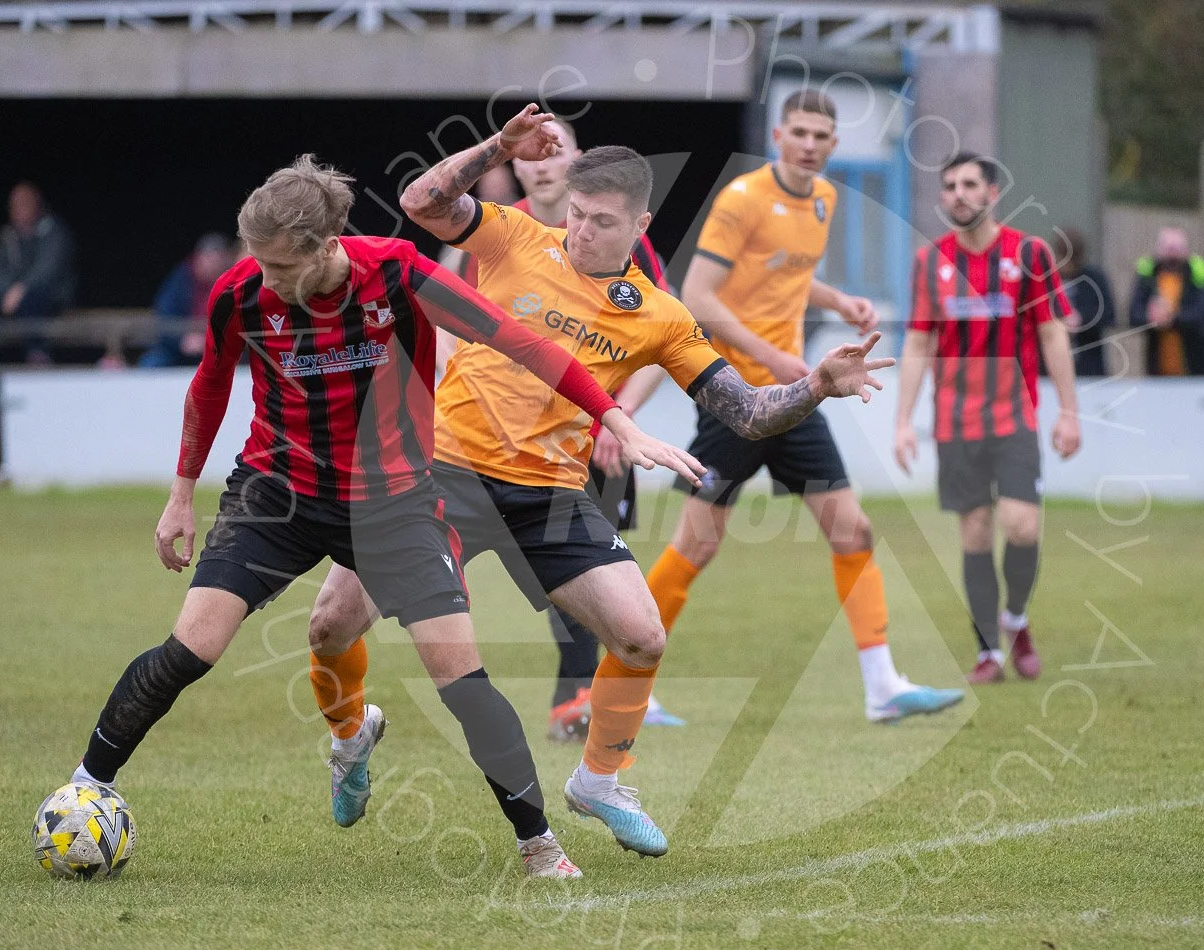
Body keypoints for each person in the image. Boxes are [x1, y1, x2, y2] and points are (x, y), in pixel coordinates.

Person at [63, 150, 700, 880]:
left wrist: (614, 419)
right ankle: (88, 785)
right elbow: (209, 384)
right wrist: (181, 494)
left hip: (393, 497)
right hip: (279, 489)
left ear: (324, 246)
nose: (264, 279)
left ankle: (538, 844)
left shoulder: (397, 273)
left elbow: (519, 342)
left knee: (459, 676)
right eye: (258, 263)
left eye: (278, 266)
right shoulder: (241, 292)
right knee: (194, 647)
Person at [304, 104, 898, 859]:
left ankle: (598, 782)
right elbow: (423, 204)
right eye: (577, 215)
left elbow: (745, 412)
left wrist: (815, 385)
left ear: (641, 224)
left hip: (549, 494)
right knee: (330, 624)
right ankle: (351, 735)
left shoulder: (660, 317)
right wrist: (495, 145)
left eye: (602, 222)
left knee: (642, 635)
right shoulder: (517, 235)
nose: (581, 232)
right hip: (441, 471)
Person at [638, 88, 962, 742]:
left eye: (822, 135)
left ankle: (882, 688)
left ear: (832, 146)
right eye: (801, 132)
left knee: (853, 531)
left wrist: (839, 300)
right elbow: (698, 295)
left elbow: (784, 274)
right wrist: (770, 358)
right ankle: (626, 686)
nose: (811, 144)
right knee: (697, 544)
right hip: (736, 398)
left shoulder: (824, 199)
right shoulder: (742, 200)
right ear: (780, 136)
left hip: (796, 399)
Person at [440, 113, 684, 740]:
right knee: (537, 569)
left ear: (580, 159)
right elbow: (444, 322)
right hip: (478, 441)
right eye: (534, 154)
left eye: (558, 151)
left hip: (588, 436)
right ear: (515, 164)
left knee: (586, 566)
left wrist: (615, 416)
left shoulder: (623, 240)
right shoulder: (498, 232)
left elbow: (657, 331)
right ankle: (572, 700)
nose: (544, 162)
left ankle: (588, 697)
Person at [894, 152, 1081, 684]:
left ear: (992, 192)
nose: (958, 193)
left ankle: (1016, 620)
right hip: (955, 422)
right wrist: (903, 421)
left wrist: (1069, 412)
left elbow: (1052, 334)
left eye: (969, 183)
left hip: (1015, 417)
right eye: (949, 185)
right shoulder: (930, 262)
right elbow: (918, 341)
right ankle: (988, 653)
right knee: (975, 534)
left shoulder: (1030, 253)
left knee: (1022, 527)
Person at [0, 181, 76, 365]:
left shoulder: (53, 231)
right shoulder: (8, 235)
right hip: (11, 296)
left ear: (36, 205)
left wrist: (22, 289)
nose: (18, 209)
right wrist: (8, 292)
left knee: (33, 302)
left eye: (24, 203)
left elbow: (47, 270)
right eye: (15, 204)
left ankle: (37, 355)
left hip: (48, 294)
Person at [137, 233, 237, 367]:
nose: (212, 265)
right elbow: (164, 316)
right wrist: (181, 340)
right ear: (198, 259)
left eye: (217, 260)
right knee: (151, 363)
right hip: (179, 349)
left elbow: (242, 319)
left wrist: (210, 341)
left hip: (221, 349)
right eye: (208, 259)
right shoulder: (182, 279)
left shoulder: (235, 282)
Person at [1129, 226, 1204, 376]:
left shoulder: (1199, 274)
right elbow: (1134, 314)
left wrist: (1171, 318)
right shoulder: (1148, 275)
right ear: (1158, 249)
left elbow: (1203, 313)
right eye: (1168, 248)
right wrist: (1151, 318)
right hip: (1156, 367)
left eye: (1176, 248)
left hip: (1193, 367)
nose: (1172, 254)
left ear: (1186, 251)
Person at [1059, 228, 1115, 378]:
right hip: (1053, 365)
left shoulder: (1094, 278)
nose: (1067, 266)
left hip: (1089, 365)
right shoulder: (1048, 279)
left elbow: (1110, 315)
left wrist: (1082, 319)